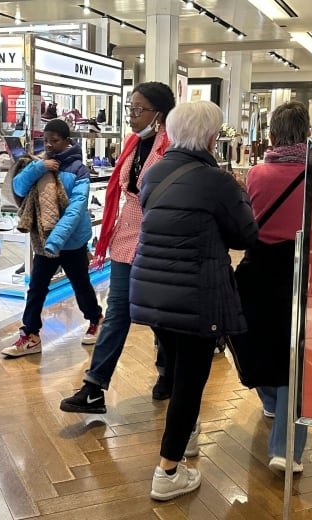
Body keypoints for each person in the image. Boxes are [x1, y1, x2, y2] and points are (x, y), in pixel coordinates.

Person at [129, 100, 258, 500]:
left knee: (177, 369)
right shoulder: (215, 180)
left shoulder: (154, 173)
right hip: (197, 294)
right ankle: (167, 471)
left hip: (151, 289)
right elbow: (245, 236)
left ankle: (183, 441)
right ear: (211, 136)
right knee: (191, 379)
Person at [59, 81, 177, 413]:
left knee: (158, 314)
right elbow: (124, 188)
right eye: (129, 108)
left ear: (160, 114)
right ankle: (94, 387)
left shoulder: (173, 146)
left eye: (138, 109)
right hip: (127, 236)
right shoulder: (132, 144)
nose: (131, 116)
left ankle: (168, 370)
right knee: (118, 312)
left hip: (158, 238)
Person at [243, 100, 309, 473]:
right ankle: (287, 449)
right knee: (294, 357)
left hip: (259, 268)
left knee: (259, 342)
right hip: (302, 270)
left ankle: (269, 399)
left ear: (271, 133)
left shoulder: (256, 174)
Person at [0, 119, 103, 357]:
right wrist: (40, 168)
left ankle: (95, 318)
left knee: (80, 284)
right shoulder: (39, 163)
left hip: (72, 240)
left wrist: (56, 240)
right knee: (36, 288)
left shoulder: (79, 169)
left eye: (54, 141)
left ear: (67, 141)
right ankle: (31, 335)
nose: (49, 145)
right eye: (45, 140)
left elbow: (76, 209)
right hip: (44, 240)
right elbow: (18, 187)